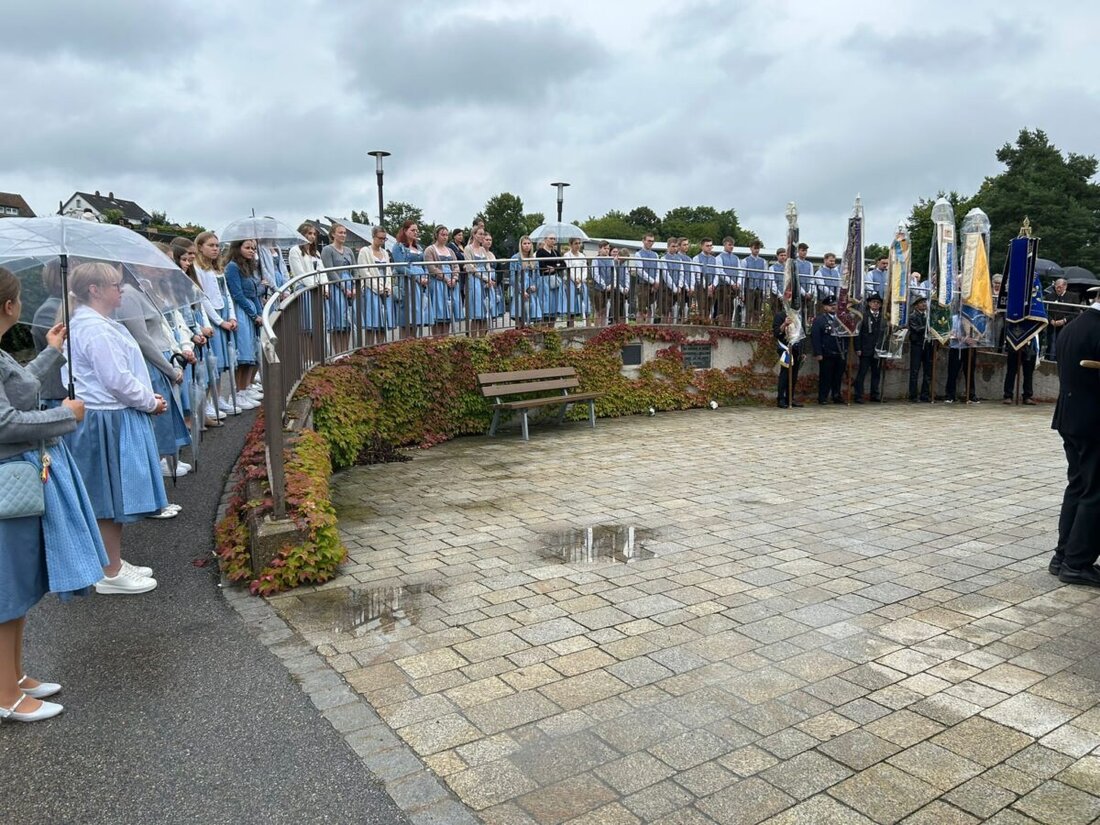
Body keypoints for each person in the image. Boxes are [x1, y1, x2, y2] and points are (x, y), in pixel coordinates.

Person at [0, 266, 109, 722]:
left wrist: (51, 352)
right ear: (10, 305)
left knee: (18, 586)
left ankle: (13, 675)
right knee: (8, 589)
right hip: (8, 482)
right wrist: (65, 415)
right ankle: (6, 695)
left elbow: (16, 388)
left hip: (16, 479)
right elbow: (5, 423)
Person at [64, 262, 168, 596]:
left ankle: (112, 561)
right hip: (107, 418)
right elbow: (117, 380)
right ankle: (110, 572)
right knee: (108, 497)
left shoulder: (95, 323)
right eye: (114, 285)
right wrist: (150, 402)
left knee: (110, 494)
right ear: (94, 290)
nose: (120, 290)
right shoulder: (95, 329)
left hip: (107, 415)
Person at [117, 260, 193, 477]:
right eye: (153, 264)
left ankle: (165, 459)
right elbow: (142, 338)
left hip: (161, 356)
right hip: (151, 361)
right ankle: (158, 461)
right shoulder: (129, 294)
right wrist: (169, 369)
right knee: (158, 413)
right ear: (136, 267)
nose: (159, 268)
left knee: (167, 413)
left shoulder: (144, 290)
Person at [1050, 286, 1100, 585]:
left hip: (1071, 418)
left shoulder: (1075, 325)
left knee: (1079, 486)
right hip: (1094, 421)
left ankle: (1063, 556)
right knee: (1095, 492)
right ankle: (1077, 563)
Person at [193, 232, 239, 417]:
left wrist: (232, 316)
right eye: (211, 245)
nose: (215, 249)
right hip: (213, 318)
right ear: (200, 247)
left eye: (217, 245)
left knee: (223, 362)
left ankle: (218, 397)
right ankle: (207, 403)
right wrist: (220, 322)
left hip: (224, 312)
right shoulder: (198, 268)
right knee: (214, 363)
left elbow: (226, 293)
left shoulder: (217, 268)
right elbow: (203, 298)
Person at [321, 224, 355, 354]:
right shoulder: (327, 250)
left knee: (349, 322)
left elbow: (355, 269)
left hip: (350, 284)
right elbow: (330, 271)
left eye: (345, 233)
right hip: (336, 286)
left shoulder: (348, 250)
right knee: (338, 321)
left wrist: (354, 286)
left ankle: (346, 351)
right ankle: (338, 353)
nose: (343, 235)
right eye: (340, 232)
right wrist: (343, 287)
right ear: (333, 234)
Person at [392, 221, 431, 333]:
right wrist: (416, 277)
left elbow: (424, 264)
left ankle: (416, 340)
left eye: (416, 230)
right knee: (407, 316)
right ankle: (405, 341)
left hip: (421, 283)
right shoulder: (398, 246)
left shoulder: (418, 247)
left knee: (418, 314)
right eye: (412, 230)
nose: (415, 232)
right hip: (408, 282)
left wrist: (426, 276)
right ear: (405, 231)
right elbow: (399, 266)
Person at [357, 226, 392, 344]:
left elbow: (389, 271)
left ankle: (381, 347)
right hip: (371, 289)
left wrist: (388, 287)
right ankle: (369, 348)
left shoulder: (385, 253)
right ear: (373, 237)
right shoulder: (365, 251)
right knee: (372, 322)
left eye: (384, 238)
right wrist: (378, 288)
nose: (382, 241)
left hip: (385, 290)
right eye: (380, 238)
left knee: (383, 322)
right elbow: (364, 272)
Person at [425, 226, 461, 335]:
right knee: (438, 314)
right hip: (438, 284)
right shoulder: (430, 249)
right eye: (442, 234)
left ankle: (446, 338)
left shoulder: (450, 251)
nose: (445, 237)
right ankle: (437, 340)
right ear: (436, 235)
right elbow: (431, 267)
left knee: (448, 314)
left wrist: (454, 278)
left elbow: (456, 266)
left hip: (451, 284)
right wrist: (445, 278)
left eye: (446, 235)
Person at [811, 295, 845, 404]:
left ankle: (836, 395)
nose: (833, 307)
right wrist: (818, 353)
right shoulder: (819, 320)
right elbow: (815, 337)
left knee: (838, 376)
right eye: (830, 305)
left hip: (840, 352)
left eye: (835, 305)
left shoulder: (841, 319)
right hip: (827, 353)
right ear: (825, 307)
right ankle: (823, 397)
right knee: (826, 376)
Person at [854, 292, 884, 403]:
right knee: (862, 372)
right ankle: (858, 395)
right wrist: (858, 348)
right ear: (869, 304)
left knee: (876, 373)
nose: (875, 304)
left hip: (878, 349)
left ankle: (874, 394)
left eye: (878, 302)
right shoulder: (864, 316)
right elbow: (858, 333)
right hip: (866, 349)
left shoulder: (883, 317)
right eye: (873, 302)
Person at [464, 227, 494, 336]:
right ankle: (473, 339)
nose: (482, 236)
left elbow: (487, 265)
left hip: (485, 280)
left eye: (483, 234)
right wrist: (485, 278)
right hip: (475, 280)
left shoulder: (482, 249)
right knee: (476, 313)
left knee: (485, 312)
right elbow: (470, 267)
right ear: (474, 234)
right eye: (480, 234)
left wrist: (489, 277)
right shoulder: (468, 249)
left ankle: (482, 338)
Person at [772, 307, 803, 408]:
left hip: (796, 348)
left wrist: (803, 351)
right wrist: (785, 323)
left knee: (794, 374)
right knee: (785, 373)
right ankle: (781, 398)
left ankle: (790, 398)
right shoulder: (780, 316)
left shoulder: (798, 316)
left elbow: (801, 335)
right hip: (785, 348)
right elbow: (776, 333)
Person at [510, 236, 542, 326]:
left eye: (528, 243)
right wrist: (521, 290)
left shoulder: (534, 259)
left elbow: (538, 276)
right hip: (520, 287)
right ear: (520, 245)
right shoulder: (515, 258)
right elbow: (513, 277)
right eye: (524, 243)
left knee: (534, 313)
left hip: (532, 289)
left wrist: (535, 286)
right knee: (520, 315)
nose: (527, 245)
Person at [1045, 278, 1079, 360]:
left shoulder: (1073, 296)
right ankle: (1049, 360)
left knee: (1063, 345)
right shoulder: (1049, 296)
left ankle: (1061, 361)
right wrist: (1051, 320)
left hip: (1066, 326)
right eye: (1056, 287)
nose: (1058, 289)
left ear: (1065, 286)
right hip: (1052, 325)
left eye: (1060, 287)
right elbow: (1045, 311)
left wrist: (1064, 320)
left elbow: (1076, 312)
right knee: (1051, 344)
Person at [535, 234, 564, 326]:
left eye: (554, 239)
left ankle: (552, 328)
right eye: (551, 238)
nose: (553, 240)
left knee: (554, 305)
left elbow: (563, 264)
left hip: (554, 280)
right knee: (545, 305)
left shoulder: (556, 252)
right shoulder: (540, 252)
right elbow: (541, 266)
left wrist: (554, 268)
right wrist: (556, 266)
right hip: (544, 280)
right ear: (545, 240)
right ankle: (543, 328)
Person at [908, 295, 932, 402]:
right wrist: (928, 327)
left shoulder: (928, 316)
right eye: (921, 303)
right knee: (915, 371)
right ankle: (913, 395)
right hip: (917, 345)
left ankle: (925, 395)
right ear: (916, 305)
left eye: (925, 302)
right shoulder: (912, 316)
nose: (924, 304)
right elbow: (916, 329)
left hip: (927, 345)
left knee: (928, 371)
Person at [1003, 337, 1038, 405]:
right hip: (1014, 342)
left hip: (1030, 344)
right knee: (1011, 371)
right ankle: (1008, 395)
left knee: (1028, 373)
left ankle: (1027, 396)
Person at [562, 237, 589, 327]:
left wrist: (581, 278)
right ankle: (570, 326)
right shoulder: (567, 255)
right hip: (570, 281)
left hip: (581, 281)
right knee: (571, 304)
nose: (578, 245)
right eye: (575, 243)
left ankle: (587, 325)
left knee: (585, 302)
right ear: (571, 244)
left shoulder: (582, 255)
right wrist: (575, 279)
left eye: (579, 243)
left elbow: (585, 269)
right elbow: (569, 268)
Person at [716, 237, 741, 326]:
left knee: (730, 307)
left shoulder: (736, 258)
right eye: (729, 245)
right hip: (723, 286)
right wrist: (731, 282)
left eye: (732, 245)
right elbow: (720, 272)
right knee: (722, 307)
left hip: (734, 287)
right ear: (724, 245)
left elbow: (740, 271)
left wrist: (738, 282)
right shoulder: (719, 257)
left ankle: (729, 325)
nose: (731, 247)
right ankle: (721, 325)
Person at [635, 234, 659, 323]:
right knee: (641, 309)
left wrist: (656, 281)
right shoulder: (638, 254)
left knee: (651, 308)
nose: (650, 243)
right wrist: (653, 281)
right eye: (649, 241)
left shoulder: (655, 254)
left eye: (652, 241)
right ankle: (639, 327)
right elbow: (640, 271)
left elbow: (657, 269)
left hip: (653, 285)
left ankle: (649, 326)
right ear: (643, 241)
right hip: (642, 284)